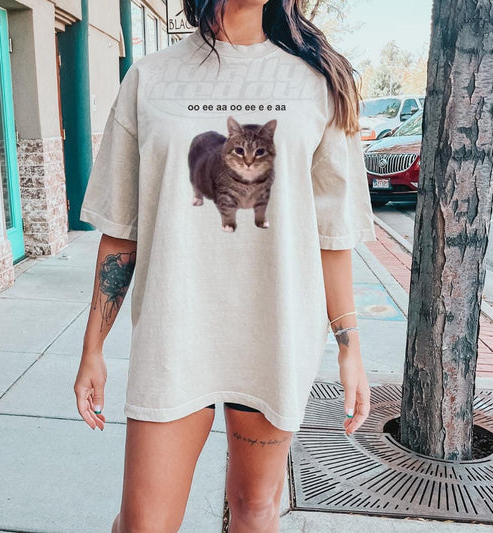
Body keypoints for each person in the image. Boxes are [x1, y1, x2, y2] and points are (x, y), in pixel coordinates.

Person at [73, 0, 377, 529]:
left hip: (274, 333)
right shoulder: (150, 78)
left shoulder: (318, 83)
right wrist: (93, 348)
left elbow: (333, 236)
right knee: (143, 523)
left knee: (256, 509)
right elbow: (121, 230)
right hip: (175, 332)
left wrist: (350, 348)